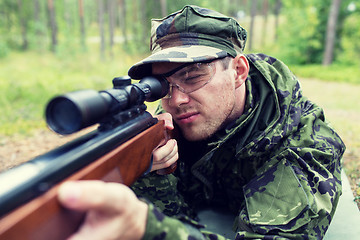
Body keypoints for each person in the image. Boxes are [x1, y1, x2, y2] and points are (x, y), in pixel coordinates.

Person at [58, 5, 346, 240]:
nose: (177, 100)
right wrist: (154, 175)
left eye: (193, 76)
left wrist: (147, 229)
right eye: (164, 85)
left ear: (239, 71)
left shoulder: (302, 144)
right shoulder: (169, 122)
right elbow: (181, 215)